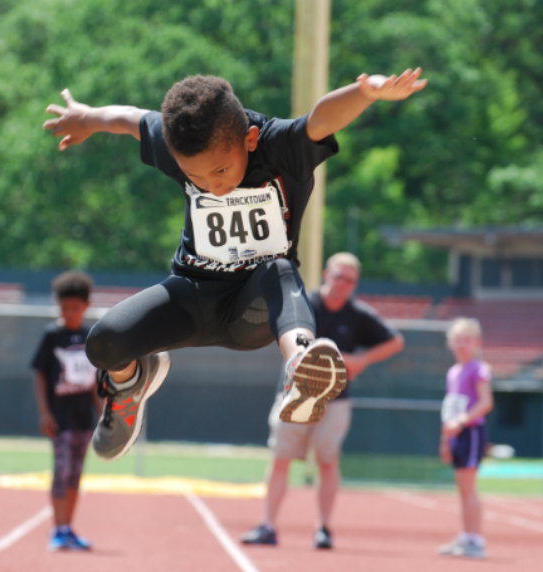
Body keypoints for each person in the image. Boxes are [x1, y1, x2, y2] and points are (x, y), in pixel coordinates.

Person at [43, 69, 428, 462]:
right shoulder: (180, 139)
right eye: (195, 176)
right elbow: (129, 119)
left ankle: (300, 364)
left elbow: (321, 119)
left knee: (278, 269)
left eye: (221, 170)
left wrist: (366, 93)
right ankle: (129, 385)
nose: (212, 186)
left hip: (253, 308)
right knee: (102, 343)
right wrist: (87, 118)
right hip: (191, 295)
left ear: (250, 139)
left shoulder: (279, 147)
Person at [241, 252, 404, 549]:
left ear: (355, 284)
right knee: (281, 458)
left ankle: (324, 528)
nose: (343, 283)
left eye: (350, 280)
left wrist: (361, 360)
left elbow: (396, 341)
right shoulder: (303, 304)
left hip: (335, 401)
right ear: (327, 274)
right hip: (294, 393)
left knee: (327, 462)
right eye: (339, 276)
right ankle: (268, 525)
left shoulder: (358, 314)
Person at [31, 270, 104, 552]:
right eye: (64, 307)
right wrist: (44, 412)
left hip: (83, 416)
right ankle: (58, 529)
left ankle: (69, 528)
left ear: (86, 306)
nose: (69, 312)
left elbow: (96, 380)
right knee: (61, 469)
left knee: (75, 472)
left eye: (75, 307)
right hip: (60, 417)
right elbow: (40, 375)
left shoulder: (90, 336)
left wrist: (103, 414)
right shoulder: (52, 335)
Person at [437, 318, 493, 559]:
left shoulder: (478, 369)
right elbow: (450, 408)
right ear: (450, 343)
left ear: (477, 343)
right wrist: (445, 440)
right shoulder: (453, 372)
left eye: (467, 340)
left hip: (471, 432)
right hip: (456, 434)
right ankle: (466, 536)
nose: (462, 345)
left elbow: (486, 402)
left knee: (469, 488)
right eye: (458, 340)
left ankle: (475, 540)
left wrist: (462, 422)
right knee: (462, 489)